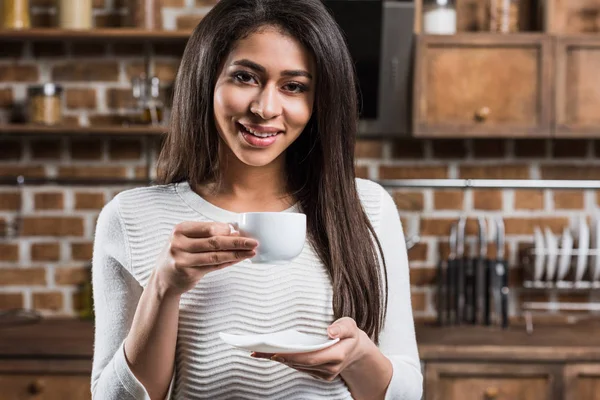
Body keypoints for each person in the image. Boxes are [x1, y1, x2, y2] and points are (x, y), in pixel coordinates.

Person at [90, 0, 422, 399]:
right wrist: (165, 286)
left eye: (294, 86)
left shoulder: (367, 207)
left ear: (319, 103)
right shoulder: (131, 217)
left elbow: (406, 393)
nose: (265, 108)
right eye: (245, 77)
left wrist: (357, 356)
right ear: (207, 79)